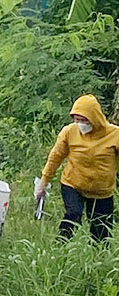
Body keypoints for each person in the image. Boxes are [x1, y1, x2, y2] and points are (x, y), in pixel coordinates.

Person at [37, 95, 119, 242]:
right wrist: (44, 181)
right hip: (73, 184)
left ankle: (97, 258)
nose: (80, 124)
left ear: (95, 118)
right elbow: (55, 157)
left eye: (84, 120)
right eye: (77, 120)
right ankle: (60, 246)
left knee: (101, 231)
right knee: (73, 214)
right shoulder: (69, 132)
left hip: (101, 191)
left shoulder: (114, 134)